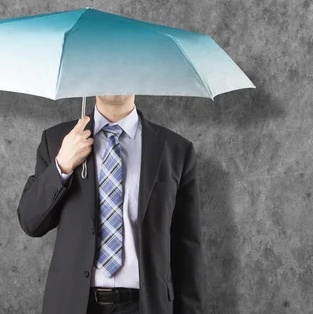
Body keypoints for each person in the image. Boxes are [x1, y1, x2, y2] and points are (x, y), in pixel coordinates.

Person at [17, 94, 205, 314]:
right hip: (74, 304)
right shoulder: (58, 139)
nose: (114, 74)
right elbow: (31, 222)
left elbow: (188, 249)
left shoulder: (176, 150)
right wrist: (62, 166)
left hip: (146, 305)